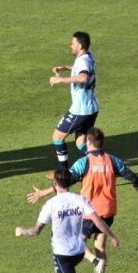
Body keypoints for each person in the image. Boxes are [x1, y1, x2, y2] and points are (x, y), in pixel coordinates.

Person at [27, 127, 138, 273]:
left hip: (89, 213)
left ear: (89, 143)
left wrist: (43, 193)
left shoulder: (84, 162)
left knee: (76, 242)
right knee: (100, 246)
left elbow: (66, 182)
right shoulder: (113, 160)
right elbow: (130, 175)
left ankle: (94, 262)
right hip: (109, 211)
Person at [15, 167, 119, 273]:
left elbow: (36, 231)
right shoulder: (80, 199)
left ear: (55, 184)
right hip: (79, 251)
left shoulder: (50, 205)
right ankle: (94, 261)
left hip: (62, 255)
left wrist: (21, 231)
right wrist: (112, 236)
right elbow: (98, 222)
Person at [48, 31, 98, 179]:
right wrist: (66, 67)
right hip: (91, 108)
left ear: (80, 45)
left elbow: (83, 77)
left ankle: (63, 174)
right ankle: (103, 162)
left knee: (58, 137)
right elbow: (82, 67)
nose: (71, 45)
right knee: (81, 142)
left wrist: (61, 79)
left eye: (73, 43)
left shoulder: (82, 61)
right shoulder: (88, 56)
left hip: (80, 110)